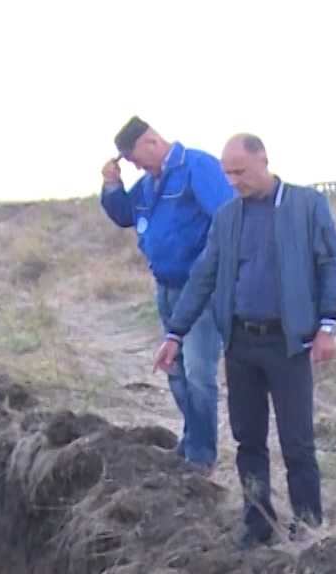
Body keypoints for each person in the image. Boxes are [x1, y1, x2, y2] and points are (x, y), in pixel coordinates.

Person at [154, 133, 336, 548]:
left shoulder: (306, 206)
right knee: (248, 441)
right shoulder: (227, 217)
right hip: (241, 344)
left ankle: (308, 527)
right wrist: (176, 333)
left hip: (288, 344)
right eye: (227, 173)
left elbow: (331, 263)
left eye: (239, 171)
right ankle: (258, 521)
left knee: (297, 443)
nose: (233, 180)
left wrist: (328, 324)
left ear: (264, 160)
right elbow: (204, 276)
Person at [100, 116, 237, 473]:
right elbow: (127, 215)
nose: (133, 166)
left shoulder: (197, 166)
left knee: (198, 372)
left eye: (133, 158)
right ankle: (192, 440)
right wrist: (112, 187)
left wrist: (208, 269)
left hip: (201, 292)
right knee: (174, 370)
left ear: (150, 142)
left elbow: (228, 219)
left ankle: (202, 455)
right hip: (167, 289)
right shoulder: (149, 184)